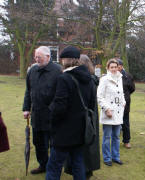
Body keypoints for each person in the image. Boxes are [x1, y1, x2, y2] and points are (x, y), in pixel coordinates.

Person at [46, 46, 96, 180]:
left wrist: (52, 121)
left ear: (67, 60)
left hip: (64, 131)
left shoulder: (64, 78)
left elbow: (59, 107)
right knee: (78, 163)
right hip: (81, 130)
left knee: (54, 165)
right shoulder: (89, 79)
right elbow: (91, 105)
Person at [22, 46, 62, 174]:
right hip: (37, 114)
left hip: (52, 115)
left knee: (54, 144)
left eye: (39, 57)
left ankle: (54, 167)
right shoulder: (32, 71)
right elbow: (28, 91)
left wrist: (52, 109)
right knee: (38, 142)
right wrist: (26, 108)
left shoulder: (58, 71)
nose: (36, 59)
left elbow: (60, 94)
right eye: (35, 57)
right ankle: (43, 165)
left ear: (48, 57)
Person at [64, 54, 100, 180]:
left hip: (83, 116)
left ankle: (82, 171)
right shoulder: (92, 79)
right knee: (89, 143)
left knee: (83, 145)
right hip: (90, 115)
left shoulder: (86, 80)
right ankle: (87, 171)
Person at [97, 58, 126, 166]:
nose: (114, 69)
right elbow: (99, 96)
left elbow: (121, 92)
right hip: (109, 112)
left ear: (118, 67)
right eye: (112, 67)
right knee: (107, 137)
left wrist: (124, 102)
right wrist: (107, 109)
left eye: (115, 67)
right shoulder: (104, 79)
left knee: (116, 136)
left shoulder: (120, 77)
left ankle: (116, 157)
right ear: (108, 68)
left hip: (118, 111)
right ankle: (107, 158)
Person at [117, 59, 135, 149]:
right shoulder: (112, 75)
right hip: (114, 103)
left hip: (125, 103)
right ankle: (115, 140)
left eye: (117, 66)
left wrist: (125, 96)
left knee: (125, 122)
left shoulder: (128, 76)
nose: (116, 68)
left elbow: (132, 88)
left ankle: (126, 141)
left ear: (121, 66)